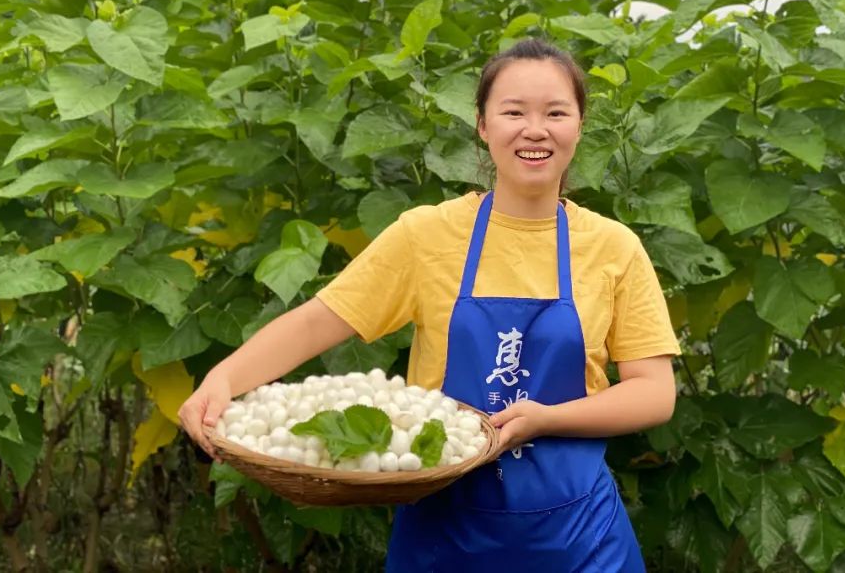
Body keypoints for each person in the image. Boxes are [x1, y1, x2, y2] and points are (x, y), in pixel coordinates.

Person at [179, 37, 680, 571]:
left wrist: (548, 418)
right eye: (513, 112)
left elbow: (654, 393)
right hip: (445, 535)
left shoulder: (613, 247)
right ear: (483, 126)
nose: (535, 129)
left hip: (580, 540)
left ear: (579, 125)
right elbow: (317, 322)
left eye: (556, 112)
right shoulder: (427, 235)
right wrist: (223, 382)